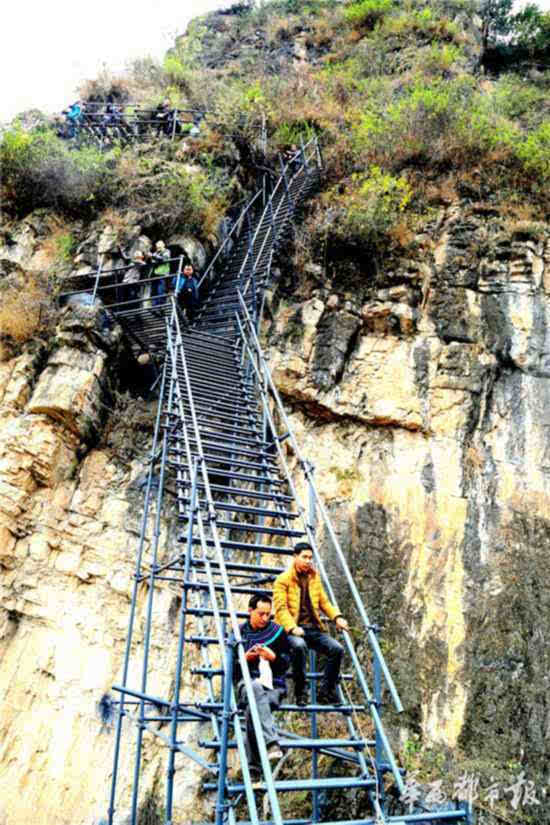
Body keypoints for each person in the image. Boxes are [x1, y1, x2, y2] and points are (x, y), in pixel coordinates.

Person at [273, 542, 349, 706]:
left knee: (337, 649)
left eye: (310, 558)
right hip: (290, 630)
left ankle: (326, 692)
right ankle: (301, 693)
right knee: (299, 647)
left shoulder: (314, 578)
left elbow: (324, 602)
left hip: (312, 628)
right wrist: (293, 627)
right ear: (295, 557)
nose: (308, 561)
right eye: (304, 557)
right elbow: (281, 609)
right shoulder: (282, 580)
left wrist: (337, 617)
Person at [234, 594, 290, 774]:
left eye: (268, 614)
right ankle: (271, 742)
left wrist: (273, 658)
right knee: (254, 689)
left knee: (254, 705)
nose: (265, 619)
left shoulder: (278, 632)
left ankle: (253, 767)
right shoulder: (238, 633)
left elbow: (286, 664)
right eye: (261, 614)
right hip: (247, 681)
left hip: (273, 684)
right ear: (250, 611)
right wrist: (244, 659)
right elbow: (230, 669)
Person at [151, 241, 170, 308]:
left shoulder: (166, 251)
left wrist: (154, 256)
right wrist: (154, 257)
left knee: (161, 290)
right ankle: (154, 306)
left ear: (163, 246)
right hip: (155, 274)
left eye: (159, 247)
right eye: (157, 247)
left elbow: (164, 259)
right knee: (154, 291)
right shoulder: (156, 253)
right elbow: (153, 261)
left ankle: (160, 307)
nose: (158, 248)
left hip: (163, 274)